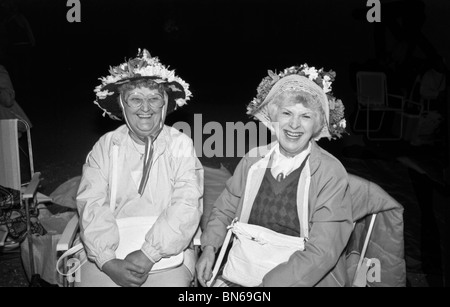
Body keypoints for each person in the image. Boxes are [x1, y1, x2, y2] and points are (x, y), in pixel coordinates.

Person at [196, 64, 353, 287]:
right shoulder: (253, 159)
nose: (294, 125)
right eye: (287, 113)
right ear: (274, 117)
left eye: (305, 116)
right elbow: (224, 209)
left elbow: (322, 252)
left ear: (316, 125)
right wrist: (209, 248)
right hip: (243, 272)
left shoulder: (330, 172)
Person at [76, 49, 203, 287]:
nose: (145, 108)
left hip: (167, 248)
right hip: (111, 249)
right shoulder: (106, 146)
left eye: (154, 98)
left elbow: (187, 203)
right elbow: (91, 202)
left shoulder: (180, 144)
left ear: (164, 103)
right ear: (122, 105)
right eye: (135, 98)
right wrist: (107, 261)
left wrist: (149, 254)